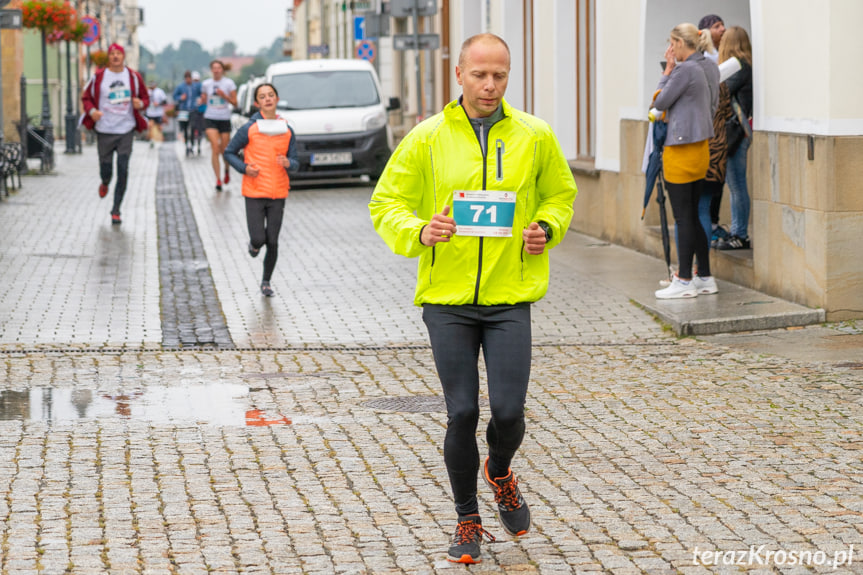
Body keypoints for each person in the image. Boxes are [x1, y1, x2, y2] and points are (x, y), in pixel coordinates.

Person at [369, 33, 577, 564]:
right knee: (461, 412)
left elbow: (560, 195)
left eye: (500, 75)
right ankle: (467, 519)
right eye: (480, 74)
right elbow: (385, 203)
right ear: (458, 74)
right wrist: (420, 230)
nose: (489, 85)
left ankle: (500, 471)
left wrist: (546, 229)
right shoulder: (426, 138)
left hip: (510, 297)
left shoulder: (535, 135)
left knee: (507, 412)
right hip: (447, 301)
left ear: (509, 77)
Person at [653, 23, 718, 299]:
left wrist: (666, 71)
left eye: (672, 42)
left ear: (681, 43)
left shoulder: (683, 69)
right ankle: (704, 276)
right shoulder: (710, 67)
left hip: (680, 151)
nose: (670, 48)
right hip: (701, 148)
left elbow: (658, 104)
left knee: (683, 218)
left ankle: (683, 279)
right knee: (692, 215)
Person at [223, 83, 298, 297]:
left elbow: (296, 161)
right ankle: (254, 246)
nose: (267, 99)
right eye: (262, 96)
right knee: (259, 238)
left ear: (276, 99)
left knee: (273, 240)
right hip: (255, 192)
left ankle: (266, 282)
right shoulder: (249, 129)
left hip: (278, 192)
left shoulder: (287, 129)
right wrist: (244, 168)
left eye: (271, 95)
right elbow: (228, 153)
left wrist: (289, 164)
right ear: (257, 103)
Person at [81, 43, 149, 225]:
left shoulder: (133, 77)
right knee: (106, 168)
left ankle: (116, 209)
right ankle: (105, 182)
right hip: (104, 129)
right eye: (112, 54)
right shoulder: (99, 77)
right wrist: (92, 111)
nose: (116, 57)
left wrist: (140, 104)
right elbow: (86, 97)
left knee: (123, 168)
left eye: (119, 53)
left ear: (124, 56)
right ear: (108, 57)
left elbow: (145, 98)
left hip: (126, 128)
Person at [716, 26, 753, 251]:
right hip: (737, 132)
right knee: (735, 184)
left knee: (737, 184)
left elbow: (719, 91)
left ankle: (740, 234)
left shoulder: (738, 67)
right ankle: (737, 231)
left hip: (736, 133)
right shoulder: (742, 66)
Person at [697, 13, 731, 246]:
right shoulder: (714, 71)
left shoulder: (698, 74)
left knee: (699, 212)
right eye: (717, 26)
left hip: (705, 150)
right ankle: (701, 270)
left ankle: (699, 271)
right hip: (714, 148)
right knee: (703, 209)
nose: (723, 29)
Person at [200, 60, 237, 191]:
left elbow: (235, 103)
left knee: (224, 149)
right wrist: (202, 100)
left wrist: (225, 96)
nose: (216, 70)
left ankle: (226, 170)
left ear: (222, 70)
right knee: (215, 148)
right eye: (214, 68)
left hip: (224, 118)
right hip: (210, 117)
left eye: (218, 68)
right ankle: (218, 179)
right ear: (211, 70)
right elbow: (204, 98)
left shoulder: (229, 83)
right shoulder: (206, 84)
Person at [173, 71, 198, 156]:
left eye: (189, 78)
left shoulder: (195, 86)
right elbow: (174, 96)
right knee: (185, 129)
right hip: (183, 110)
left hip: (193, 110)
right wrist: (181, 97)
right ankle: (187, 146)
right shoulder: (180, 87)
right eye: (186, 79)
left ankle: (192, 143)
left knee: (193, 127)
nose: (188, 80)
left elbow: (200, 95)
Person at [145, 80, 167, 146]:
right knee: (150, 126)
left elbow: (165, 101)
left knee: (159, 127)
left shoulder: (160, 91)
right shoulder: (147, 91)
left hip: (158, 113)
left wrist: (158, 104)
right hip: (150, 112)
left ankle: (159, 139)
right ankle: (151, 140)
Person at [190, 71, 205, 155]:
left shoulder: (198, 86)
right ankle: (196, 146)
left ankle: (196, 146)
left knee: (196, 129)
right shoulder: (200, 86)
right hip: (196, 111)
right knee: (197, 129)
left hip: (198, 111)